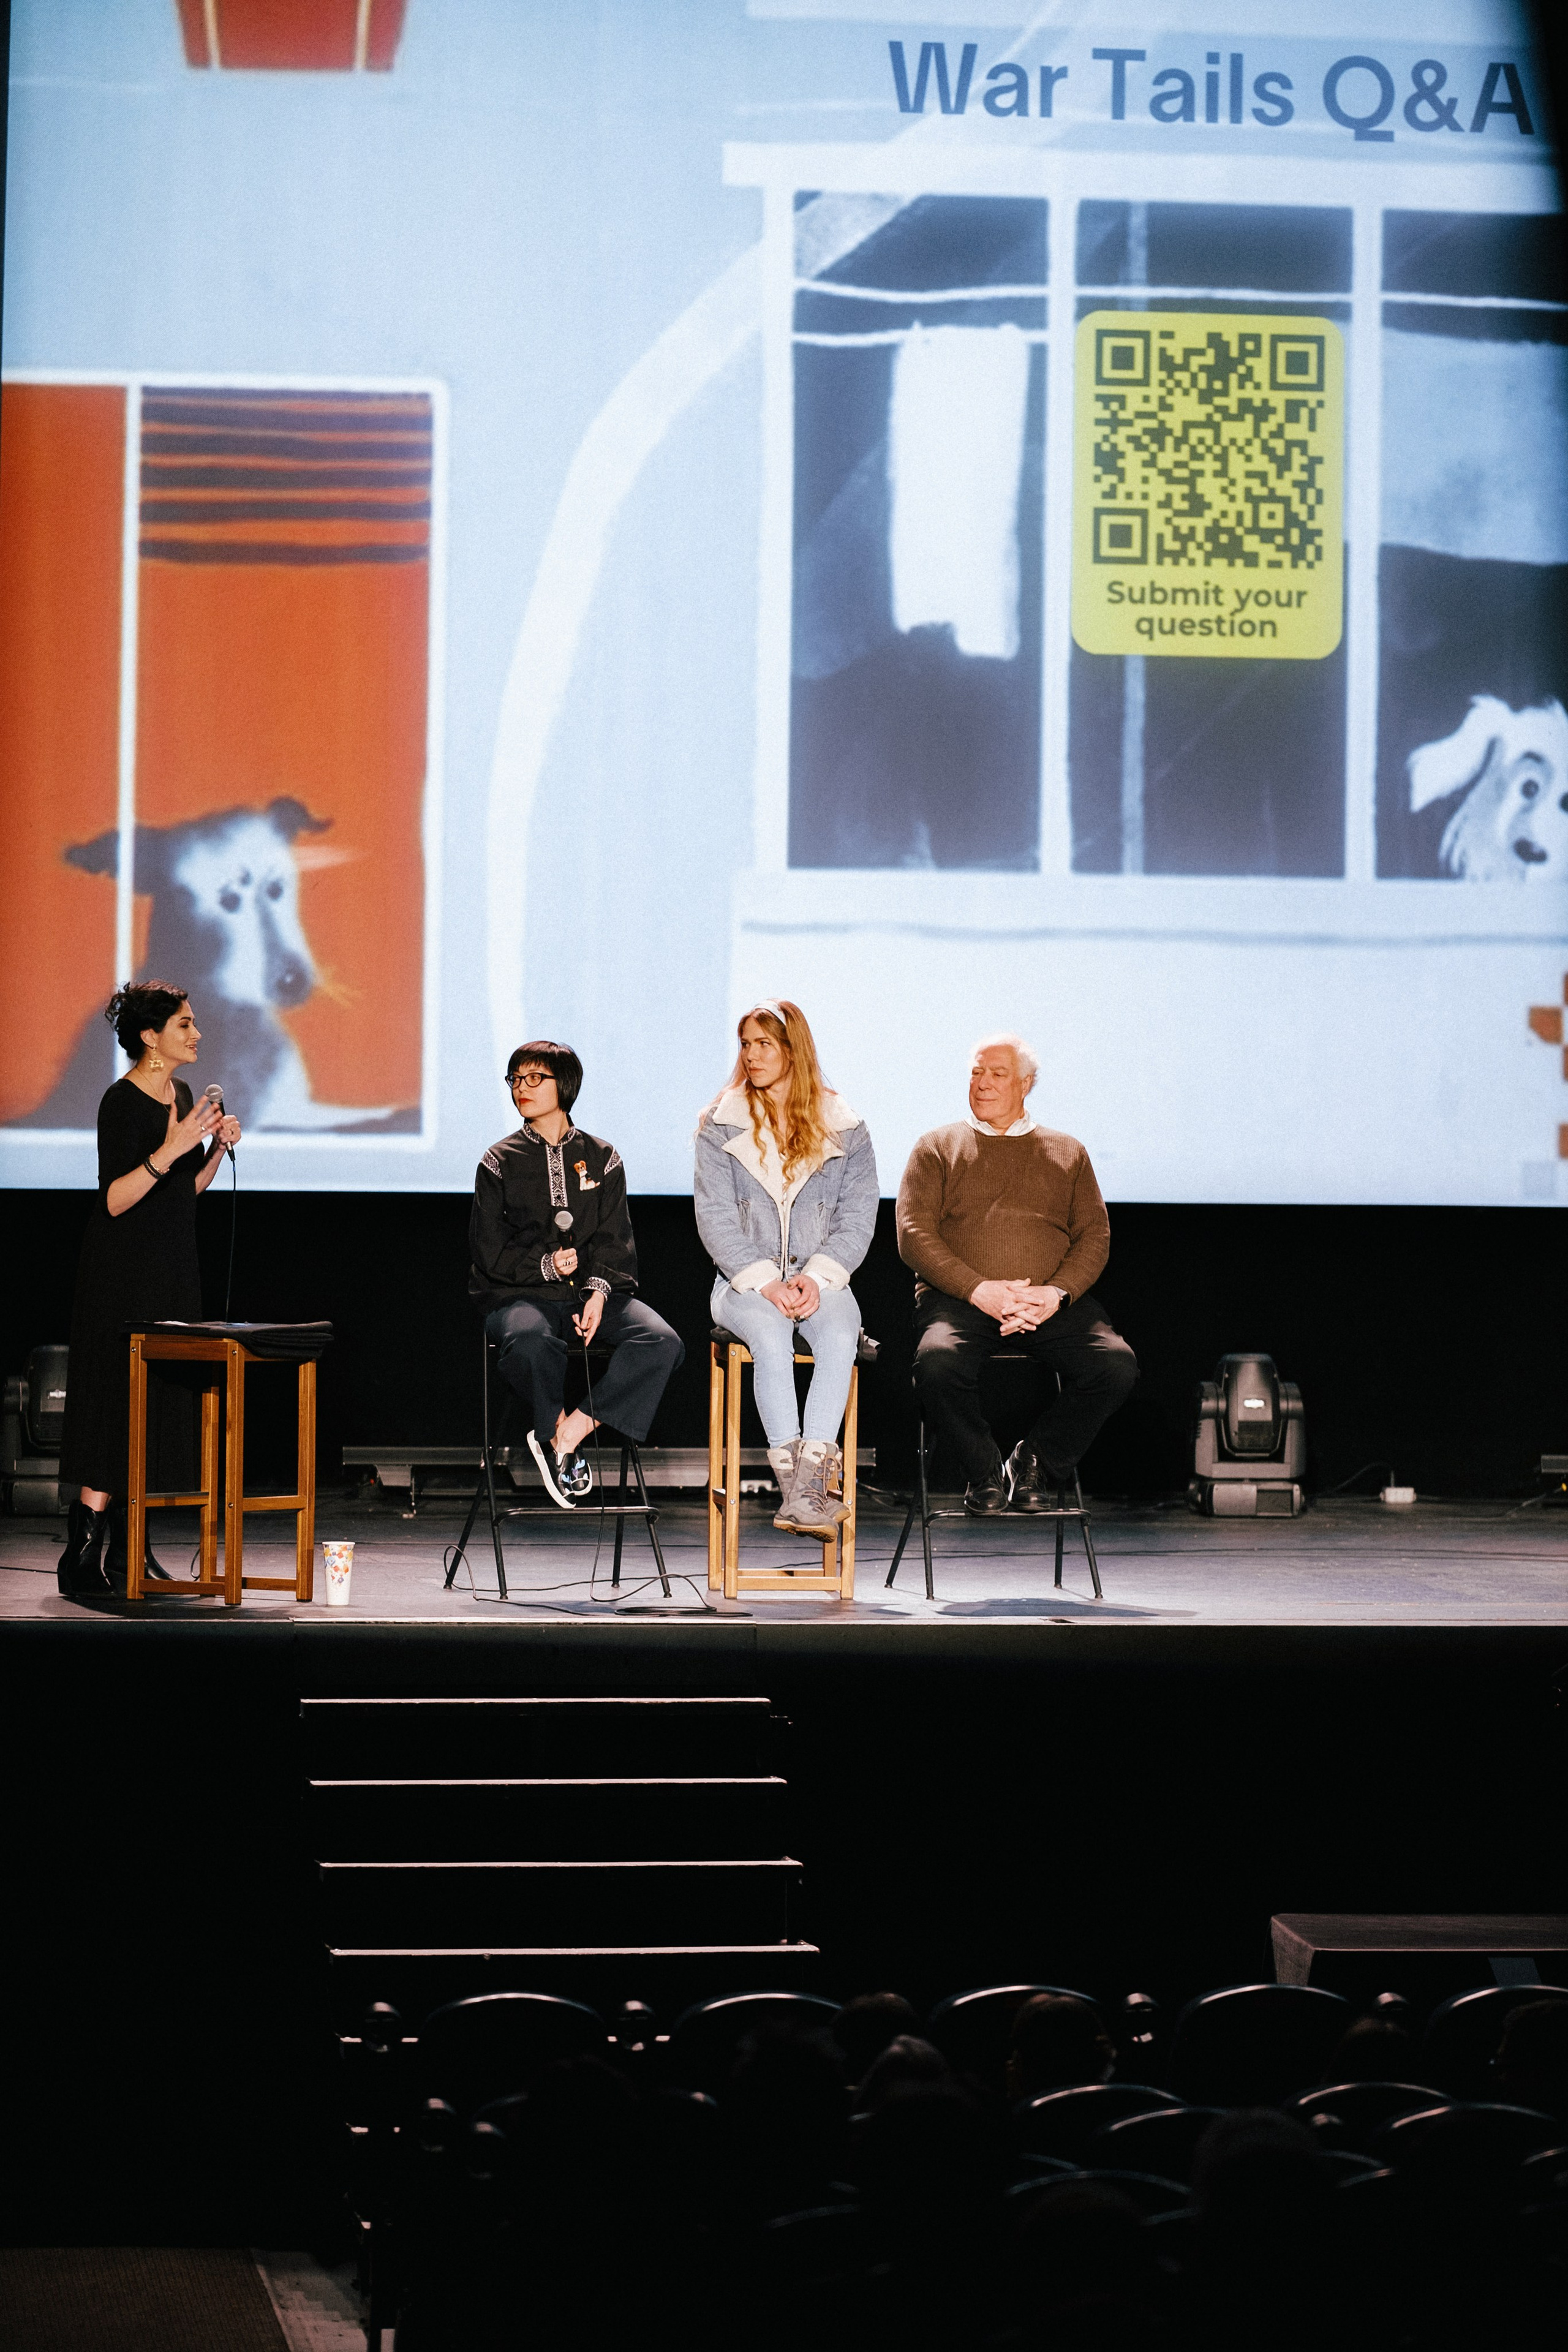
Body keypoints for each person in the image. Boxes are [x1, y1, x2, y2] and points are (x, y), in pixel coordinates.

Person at [896, 1033, 1136, 1515]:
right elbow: (913, 1234)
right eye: (976, 1073)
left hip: (1046, 1304)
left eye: (997, 1074)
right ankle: (983, 1471)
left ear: (1026, 1084)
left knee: (1115, 1365)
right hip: (961, 1302)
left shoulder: (1067, 1152)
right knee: (937, 1364)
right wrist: (979, 1290)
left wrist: (1055, 1294)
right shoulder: (936, 1147)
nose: (983, 1083)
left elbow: (1094, 1236)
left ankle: (1034, 1463)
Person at [56, 982, 243, 1596]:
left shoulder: (182, 1096)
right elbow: (115, 1199)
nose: (196, 1033)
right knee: (116, 1403)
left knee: (156, 1405)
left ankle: (130, 1551)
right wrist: (173, 1147)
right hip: (121, 1276)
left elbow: (182, 1193)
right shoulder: (121, 1101)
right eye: (184, 1024)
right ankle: (82, 1551)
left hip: (171, 1271)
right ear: (149, 1037)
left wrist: (211, 1151)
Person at [469, 1040, 683, 1507]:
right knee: (531, 1342)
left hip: (590, 1296)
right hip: (521, 1298)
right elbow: (488, 1251)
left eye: (534, 1078)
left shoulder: (603, 1157)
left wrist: (599, 1294)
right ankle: (551, 1434)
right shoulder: (498, 1161)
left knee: (661, 1341)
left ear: (564, 1084)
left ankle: (571, 1433)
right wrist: (545, 1265)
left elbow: (615, 1239)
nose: (521, 1088)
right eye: (515, 1079)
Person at [695, 1000, 878, 1541]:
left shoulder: (846, 1127)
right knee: (771, 1337)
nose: (751, 1056)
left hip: (821, 1279)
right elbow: (715, 1219)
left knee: (841, 1335)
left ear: (793, 1050)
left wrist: (816, 1278)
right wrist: (765, 1282)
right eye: (745, 1044)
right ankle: (801, 1491)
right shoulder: (720, 1124)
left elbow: (857, 1217)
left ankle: (807, 1490)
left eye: (764, 1044)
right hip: (743, 1282)